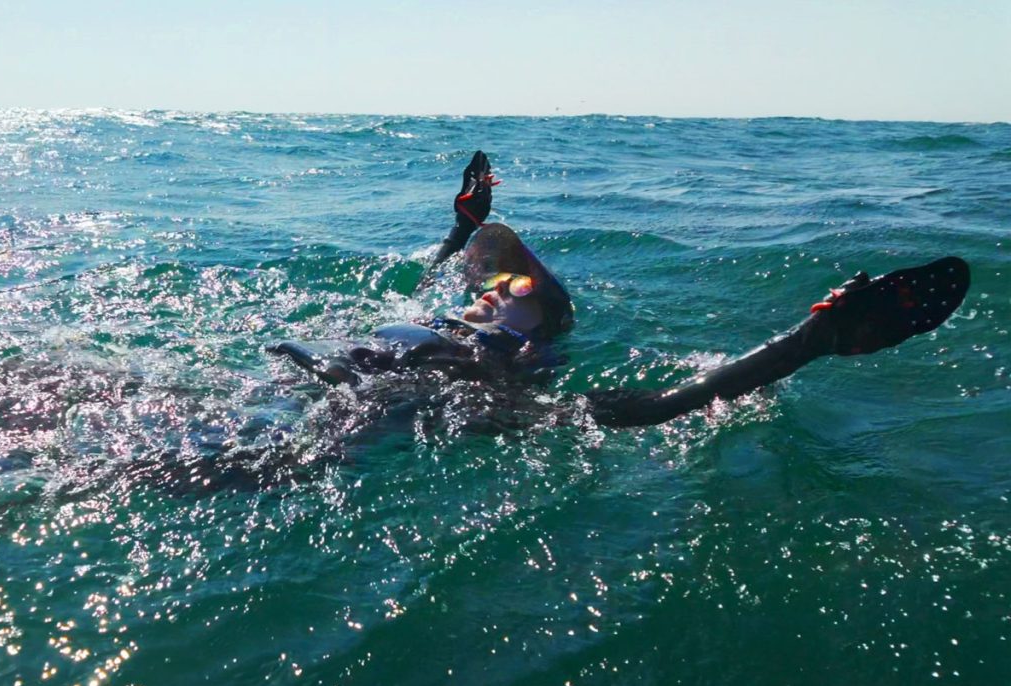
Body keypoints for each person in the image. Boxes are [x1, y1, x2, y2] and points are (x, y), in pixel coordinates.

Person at [269, 151, 970, 428]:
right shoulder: (433, 321)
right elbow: (436, 280)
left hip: (341, 424)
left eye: (516, 287)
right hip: (288, 387)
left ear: (538, 336)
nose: (493, 287)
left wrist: (806, 343)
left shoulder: (491, 378)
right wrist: (462, 228)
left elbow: (655, 408)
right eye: (489, 281)